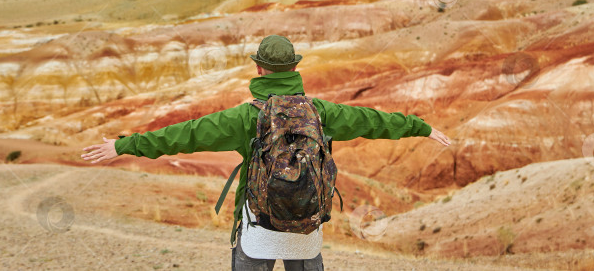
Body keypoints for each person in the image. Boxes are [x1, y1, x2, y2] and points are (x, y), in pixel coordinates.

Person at [82, 34, 451, 270]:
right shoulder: (320, 112)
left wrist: (122, 145)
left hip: (258, 230)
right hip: (306, 232)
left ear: (259, 68)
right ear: (294, 67)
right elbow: (373, 121)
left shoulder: (246, 117)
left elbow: (183, 136)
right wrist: (422, 128)